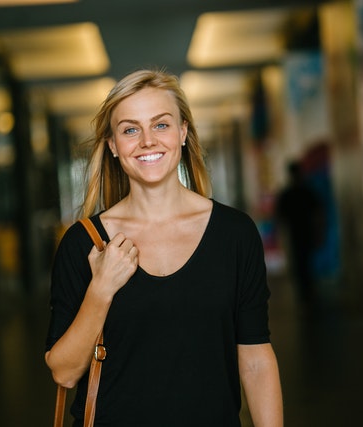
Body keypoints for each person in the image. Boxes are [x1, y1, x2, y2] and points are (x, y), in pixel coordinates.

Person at [45, 69, 282, 427]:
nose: (146, 141)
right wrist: (101, 288)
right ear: (112, 145)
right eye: (130, 129)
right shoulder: (85, 243)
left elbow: (254, 357)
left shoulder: (234, 234)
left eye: (160, 125)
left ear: (183, 132)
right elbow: (63, 372)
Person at [275, 160, 324, 312]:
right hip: (303, 233)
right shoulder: (306, 192)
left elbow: (280, 218)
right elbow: (317, 215)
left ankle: (305, 295)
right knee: (305, 265)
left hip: (296, 234)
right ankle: (308, 295)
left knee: (300, 265)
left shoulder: (289, 194)